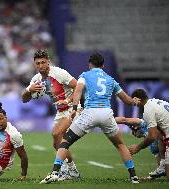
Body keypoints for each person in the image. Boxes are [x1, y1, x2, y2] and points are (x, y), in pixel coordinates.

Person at [40, 52, 140, 184]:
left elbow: (78, 90)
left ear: (90, 64)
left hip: (89, 113)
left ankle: (55, 173)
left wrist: (74, 109)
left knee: (65, 142)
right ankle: (133, 177)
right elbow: (126, 99)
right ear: (103, 65)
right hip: (106, 114)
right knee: (120, 145)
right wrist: (134, 101)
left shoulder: (85, 75)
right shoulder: (111, 79)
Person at [21, 49, 80, 180]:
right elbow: (24, 99)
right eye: (38, 63)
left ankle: (63, 170)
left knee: (57, 134)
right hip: (60, 111)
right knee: (57, 144)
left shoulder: (59, 73)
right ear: (35, 64)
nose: (41, 65)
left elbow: (78, 86)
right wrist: (28, 90)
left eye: (43, 62)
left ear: (48, 62)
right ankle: (73, 171)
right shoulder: (36, 80)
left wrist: (68, 100)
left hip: (73, 107)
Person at [129, 89, 169, 180]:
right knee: (159, 134)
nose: (134, 105)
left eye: (134, 102)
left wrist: (138, 147)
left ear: (137, 99)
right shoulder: (156, 101)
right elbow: (158, 132)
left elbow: (152, 136)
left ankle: (163, 166)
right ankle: (163, 164)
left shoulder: (147, 110)